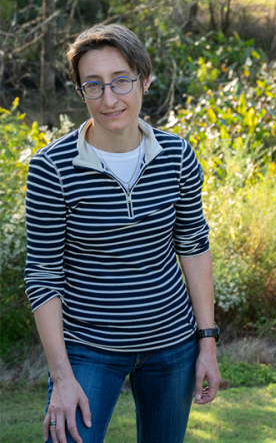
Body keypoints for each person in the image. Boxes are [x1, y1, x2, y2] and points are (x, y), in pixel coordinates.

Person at [24, 23, 221, 443]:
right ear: (80, 92)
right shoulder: (51, 169)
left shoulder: (178, 156)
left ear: (144, 79)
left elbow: (194, 247)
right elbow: (43, 275)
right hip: (86, 349)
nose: (109, 99)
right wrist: (62, 377)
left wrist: (207, 344)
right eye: (93, 86)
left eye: (121, 81)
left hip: (172, 346)